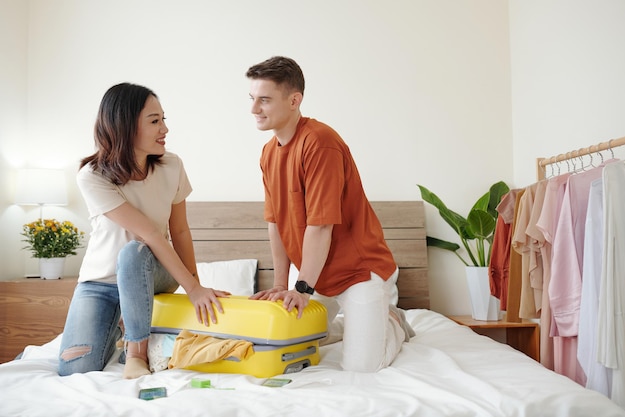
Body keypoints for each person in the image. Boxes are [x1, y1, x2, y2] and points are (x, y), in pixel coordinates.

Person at [247, 56, 414, 372]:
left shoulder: (320, 143)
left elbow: (320, 226)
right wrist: (283, 284)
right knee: (291, 339)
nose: (254, 109)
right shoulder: (269, 153)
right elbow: (275, 223)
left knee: (361, 367)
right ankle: (354, 327)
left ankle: (392, 319)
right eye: (252, 98)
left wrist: (302, 288)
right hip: (316, 273)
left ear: (294, 100)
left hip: (358, 272)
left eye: (264, 99)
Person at [58, 83, 229, 379]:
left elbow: (180, 231)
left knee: (134, 253)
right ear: (125, 126)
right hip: (100, 283)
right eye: (154, 121)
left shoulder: (172, 166)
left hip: (150, 272)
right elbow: (148, 231)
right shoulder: (93, 176)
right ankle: (114, 335)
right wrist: (193, 288)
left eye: (164, 119)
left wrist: (194, 286)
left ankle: (136, 353)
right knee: (74, 370)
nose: (164, 128)